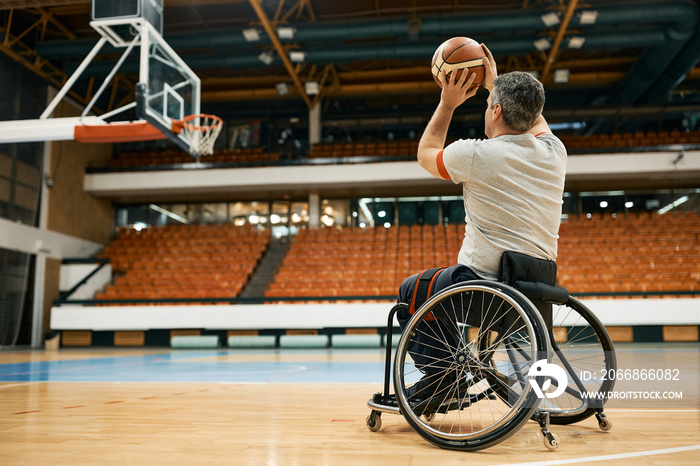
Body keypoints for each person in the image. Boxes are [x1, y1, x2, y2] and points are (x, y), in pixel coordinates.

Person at [397, 44, 567, 398]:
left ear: (496, 111)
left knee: (412, 291)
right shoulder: (555, 153)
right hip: (537, 292)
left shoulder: (475, 155)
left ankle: (446, 378)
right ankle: (453, 375)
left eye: (491, 105)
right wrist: (495, 84)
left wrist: (447, 103)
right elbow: (534, 121)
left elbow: (425, 154)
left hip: (483, 289)